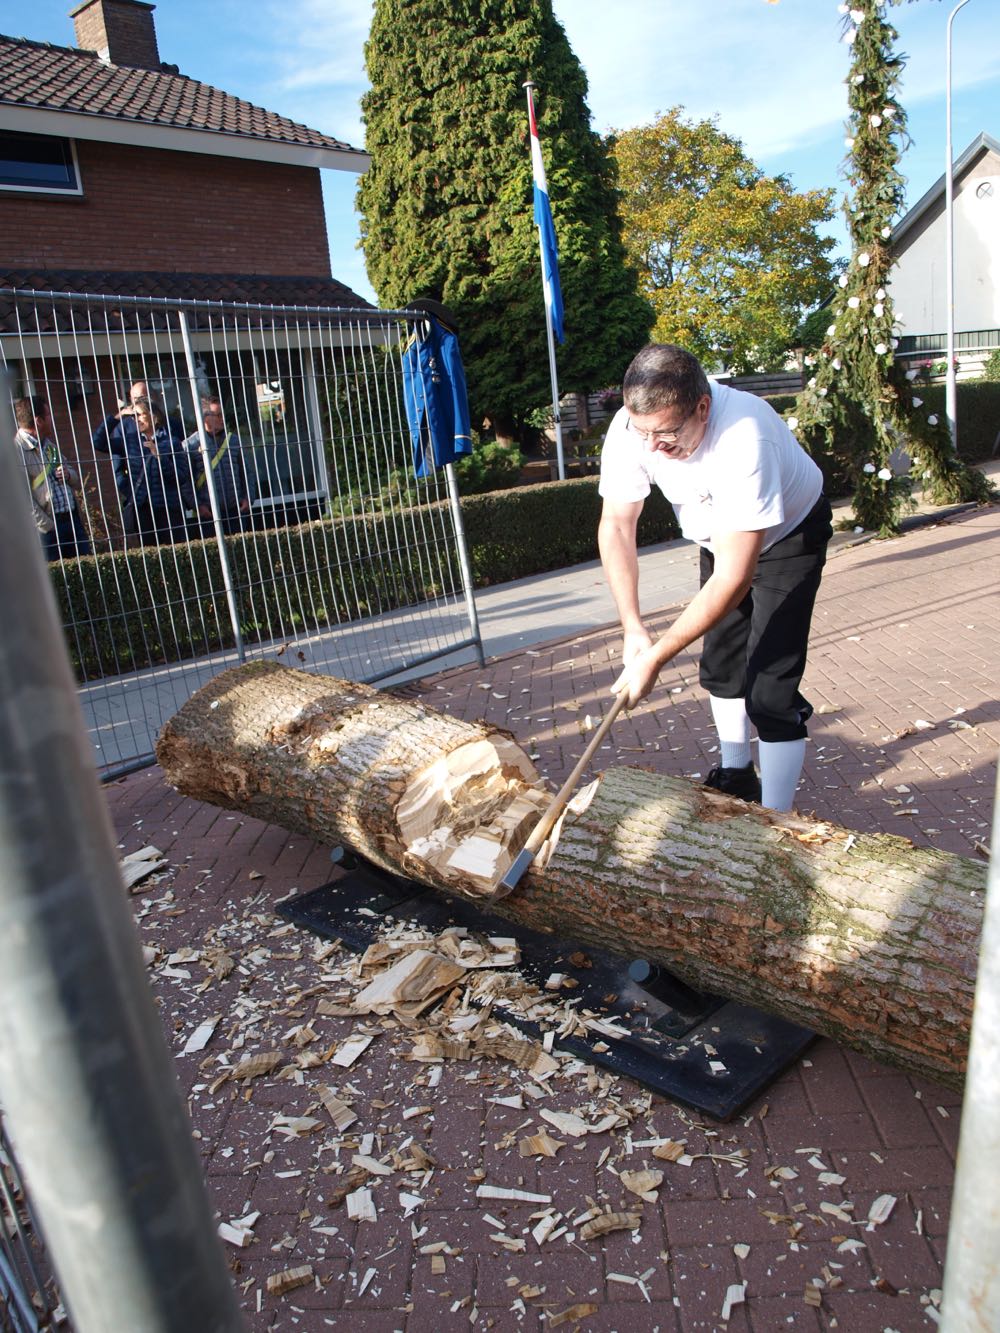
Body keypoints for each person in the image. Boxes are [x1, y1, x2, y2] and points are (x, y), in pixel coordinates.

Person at [598, 343, 832, 813]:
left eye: (664, 434)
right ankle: (736, 773)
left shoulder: (746, 436)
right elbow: (617, 525)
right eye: (641, 432)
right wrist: (633, 628)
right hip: (717, 536)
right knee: (722, 665)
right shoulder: (633, 429)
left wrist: (656, 659)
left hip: (789, 537)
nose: (651, 448)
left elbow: (734, 576)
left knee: (770, 689)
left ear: (702, 407)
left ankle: (775, 820)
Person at [92, 397, 190, 545]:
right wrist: (117, 417)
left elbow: (181, 476)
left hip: (169, 510)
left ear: (154, 417)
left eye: (140, 415)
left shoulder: (172, 443)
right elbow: (98, 443)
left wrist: (159, 457)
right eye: (133, 416)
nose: (135, 419)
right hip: (143, 509)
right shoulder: (130, 442)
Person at [14, 396, 92, 561]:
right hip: (47, 530)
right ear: (38, 420)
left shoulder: (49, 446)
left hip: (72, 521)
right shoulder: (16, 452)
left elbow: (75, 477)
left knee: (86, 571)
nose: (52, 418)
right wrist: (48, 527)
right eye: (48, 415)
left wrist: (68, 474)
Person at [182, 397, 252, 535]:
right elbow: (185, 482)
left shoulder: (233, 440)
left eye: (222, 415)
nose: (222, 419)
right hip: (208, 514)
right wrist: (198, 506)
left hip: (235, 510)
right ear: (205, 418)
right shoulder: (189, 446)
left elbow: (246, 472)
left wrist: (248, 497)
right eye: (218, 415)